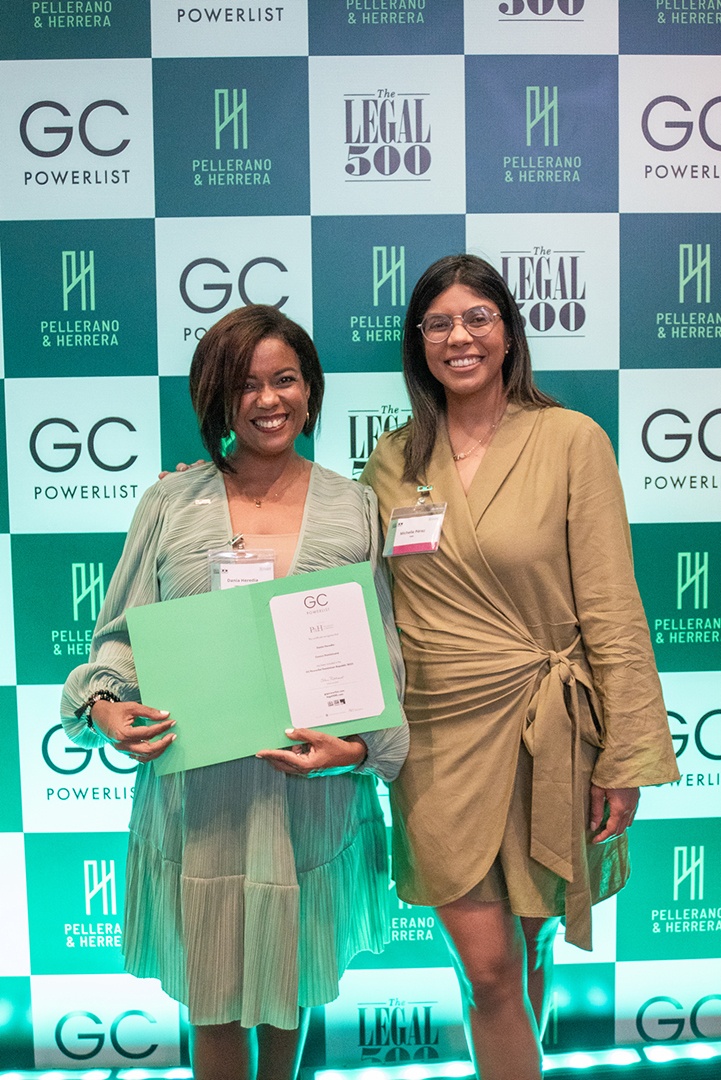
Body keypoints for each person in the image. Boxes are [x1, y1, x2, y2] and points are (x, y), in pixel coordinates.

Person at [60, 304, 408, 1080]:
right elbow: (120, 635)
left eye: (285, 379)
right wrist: (108, 707)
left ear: (310, 390)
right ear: (218, 396)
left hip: (313, 788)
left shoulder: (354, 505)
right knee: (214, 999)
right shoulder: (169, 502)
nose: (268, 400)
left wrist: (356, 751)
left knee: (291, 987)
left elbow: (381, 647)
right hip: (201, 791)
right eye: (246, 384)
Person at [360, 254, 680, 1080]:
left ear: (507, 332)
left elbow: (611, 607)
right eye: (438, 323)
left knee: (531, 946)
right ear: (417, 342)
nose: (459, 337)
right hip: (436, 736)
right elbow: (338, 572)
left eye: (477, 318)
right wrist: (214, 493)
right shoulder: (390, 462)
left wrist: (626, 754)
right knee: (489, 970)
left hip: (550, 732)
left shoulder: (571, 440)